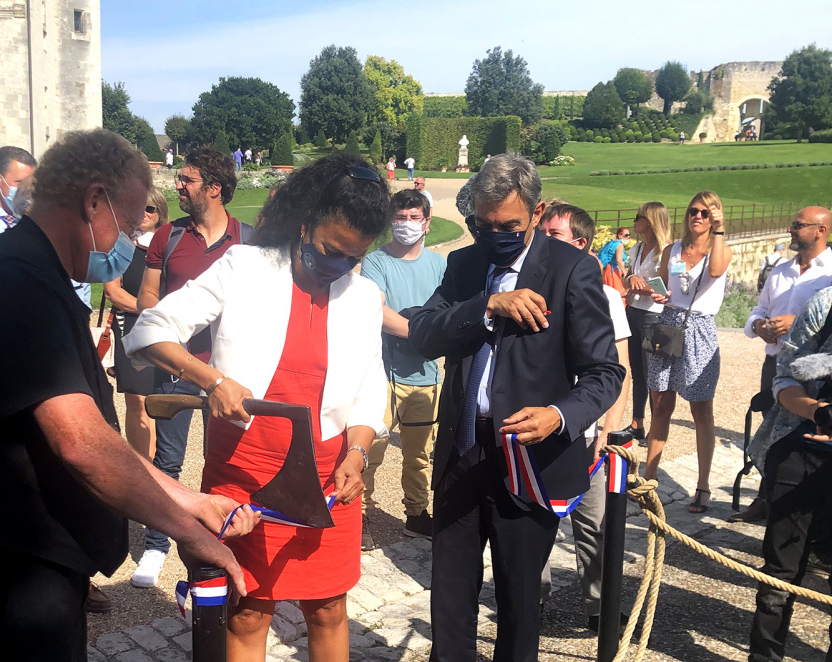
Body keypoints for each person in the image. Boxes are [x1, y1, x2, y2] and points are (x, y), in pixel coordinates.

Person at [0, 129, 256, 661]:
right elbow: (80, 442)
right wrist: (185, 532)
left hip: (36, 558)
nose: (126, 244)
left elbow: (96, 434)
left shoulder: (41, 275)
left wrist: (190, 501)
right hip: (4, 567)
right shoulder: (15, 281)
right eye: (126, 225)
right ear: (94, 201)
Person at [125, 152, 391, 661]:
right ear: (306, 222)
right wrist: (212, 379)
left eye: (351, 257)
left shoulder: (362, 295)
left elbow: (368, 389)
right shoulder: (245, 266)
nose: (338, 266)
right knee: (248, 608)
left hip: (328, 473)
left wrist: (357, 453)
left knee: (329, 608)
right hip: (245, 470)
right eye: (330, 250)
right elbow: (150, 329)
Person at [407, 154, 624, 662]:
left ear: (537, 210)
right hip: (463, 452)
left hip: (530, 458)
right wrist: (485, 306)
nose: (495, 234)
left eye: (509, 225)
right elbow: (421, 334)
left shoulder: (573, 269)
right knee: (451, 594)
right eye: (483, 224)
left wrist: (560, 415)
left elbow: (604, 374)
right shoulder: (465, 264)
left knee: (519, 596)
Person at [132, 145, 249, 586]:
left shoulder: (250, 240)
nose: (177, 186)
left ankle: (236, 534)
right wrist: (170, 333)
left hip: (233, 368)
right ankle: (158, 545)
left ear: (214, 188)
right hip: (180, 366)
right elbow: (147, 296)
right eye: (179, 179)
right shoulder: (169, 236)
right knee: (168, 459)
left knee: (234, 458)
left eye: (187, 180)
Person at [539, 203, 632, 632]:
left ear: (580, 244)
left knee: (594, 523)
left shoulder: (607, 295)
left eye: (553, 234)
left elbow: (619, 368)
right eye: (542, 231)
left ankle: (600, 606)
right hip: (539, 424)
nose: (543, 240)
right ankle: (530, 599)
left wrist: (609, 427)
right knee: (534, 520)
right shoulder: (529, 285)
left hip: (588, 427)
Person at [745, 286, 832, 662]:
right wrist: (819, 411)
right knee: (778, 575)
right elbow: (784, 379)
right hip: (802, 449)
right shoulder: (825, 304)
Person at [359, 188, 446, 548]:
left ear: (426, 224)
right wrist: (421, 333)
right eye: (400, 218)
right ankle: (358, 513)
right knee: (370, 451)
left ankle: (416, 513)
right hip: (384, 376)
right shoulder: (376, 262)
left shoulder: (441, 265)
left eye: (413, 218)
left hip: (427, 377)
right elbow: (375, 310)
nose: (406, 224)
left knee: (420, 454)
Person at [735, 207, 832, 524]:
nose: (790, 230)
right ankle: (767, 499)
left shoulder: (829, 273)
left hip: (815, 371)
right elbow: (757, 310)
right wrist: (758, 326)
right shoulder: (779, 271)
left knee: (814, 431)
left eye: (797, 225)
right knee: (773, 434)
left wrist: (798, 322)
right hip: (775, 364)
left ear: (820, 230)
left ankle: (806, 511)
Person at [643, 191, 733, 514]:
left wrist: (719, 232)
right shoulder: (672, 250)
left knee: (701, 409)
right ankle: (649, 476)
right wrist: (655, 292)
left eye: (706, 213)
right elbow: (666, 290)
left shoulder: (719, 251)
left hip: (699, 330)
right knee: (661, 403)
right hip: (668, 324)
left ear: (716, 218)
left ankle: (703, 485)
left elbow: (714, 272)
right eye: (694, 211)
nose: (698, 216)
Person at [106, 188, 169, 480]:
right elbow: (112, 291)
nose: (143, 214)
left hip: (163, 330)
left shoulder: (168, 245)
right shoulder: (120, 245)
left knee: (160, 398)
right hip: (129, 325)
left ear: (160, 214)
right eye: (138, 208)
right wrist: (147, 310)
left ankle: (161, 467)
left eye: (150, 209)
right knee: (136, 400)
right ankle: (144, 469)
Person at [622, 203, 672, 444]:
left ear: (650, 221)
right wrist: (631, 277)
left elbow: (673, 287)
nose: (634, 222)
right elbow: (627, 277)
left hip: (655, 315)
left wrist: (645, 288)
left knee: (655, 374)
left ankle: (657, 426)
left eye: (638, 217)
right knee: (637, 371)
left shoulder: (667, 252)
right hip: (634, 312)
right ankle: (637, 422)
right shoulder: (637, 248)